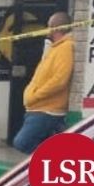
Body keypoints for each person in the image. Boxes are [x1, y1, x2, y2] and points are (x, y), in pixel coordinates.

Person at [13, 12, 75, 154]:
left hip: (47, 109)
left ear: (54, 28)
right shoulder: (55, 48)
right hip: (39, 108)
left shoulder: (65, 48)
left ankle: (55, 161)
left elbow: (60, 79)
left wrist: (36, 96)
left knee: (22, 142)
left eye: (48, 26)